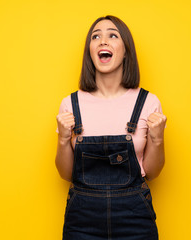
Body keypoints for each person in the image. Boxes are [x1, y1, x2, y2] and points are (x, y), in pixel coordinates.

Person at [55, 15, 167, 240]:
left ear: (126, 51)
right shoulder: (70, 104)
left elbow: (153, 173)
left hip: (134, 218)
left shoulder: (147, 102)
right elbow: (66, 174)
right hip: (82, 221)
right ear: (90, 51)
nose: (102, 41)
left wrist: (157, 139)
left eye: (112, 35)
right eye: (96, 36)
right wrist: (62, 140)